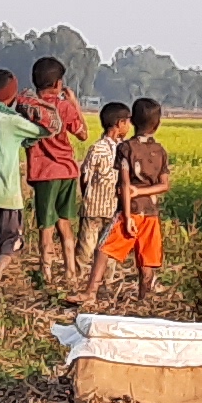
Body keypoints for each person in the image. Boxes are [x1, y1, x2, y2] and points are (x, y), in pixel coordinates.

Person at [22, 57, 90, 283]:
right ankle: (70, 271)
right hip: (67, 171)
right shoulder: (64, 106)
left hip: (44, 172)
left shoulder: (30, 107)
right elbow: (82, 134)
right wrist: (75, 103)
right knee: (64, 222)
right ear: (59, 84)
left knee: (45, 225)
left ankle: (46, 271)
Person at [100, 97, 170, 299]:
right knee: (147, 259)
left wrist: (129, 212)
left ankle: (90, 290)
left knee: (104, 249)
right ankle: (144, 298)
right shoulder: (159, 151)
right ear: (157, 124)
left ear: (131, 121)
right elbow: (164, 185)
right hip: (151, 212)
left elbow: (124, 184)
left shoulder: (126, 148)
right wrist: (144, 191)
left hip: (131, 209)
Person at [0, 69, 44, 268]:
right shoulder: (13, 122)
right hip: (7, 195)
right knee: (12, 241)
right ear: (13, 92)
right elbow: (41, 131)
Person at [76, 99, 131, 292]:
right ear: (119, 124)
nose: (129, 126)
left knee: (107, 248)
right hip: (94, 207)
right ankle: (81, 281)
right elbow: (85, 175)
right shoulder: (98, 148)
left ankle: (104, 284)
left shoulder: (125, 148)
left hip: (114, 208)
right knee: (87, 247)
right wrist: (86, 197)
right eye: (127, 122)